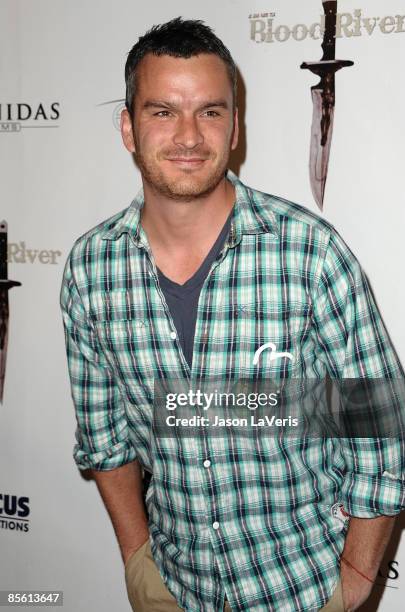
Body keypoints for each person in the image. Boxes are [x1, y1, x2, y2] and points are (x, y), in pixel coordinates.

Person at [60, 17, 404, 612]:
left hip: (301, 591)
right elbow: (103, 437)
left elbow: (382, 432)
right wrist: (138, 560)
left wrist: (351, 584)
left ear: (235, 125)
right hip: (172, 588)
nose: (189, 135)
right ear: (127, 127)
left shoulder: (309, 253)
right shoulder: (93, 269)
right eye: (163, 111)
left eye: (210, 112)